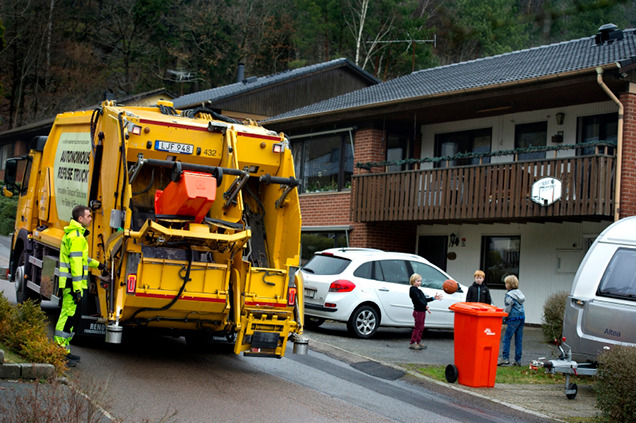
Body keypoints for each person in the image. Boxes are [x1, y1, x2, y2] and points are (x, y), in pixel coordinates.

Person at [54, 205, 105, 367]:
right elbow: (76, 266)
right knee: (68, 317)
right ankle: (59, 353)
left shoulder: (76, 235)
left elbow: (83, 260)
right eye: (89, 216)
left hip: (71, 283)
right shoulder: (77, 238)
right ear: (80, 219)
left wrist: (99, 265)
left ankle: (64, 351)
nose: (91, 218)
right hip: (73, 284)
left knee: (71, 318)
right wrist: (77, 289)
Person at [408, 273, 442, 350]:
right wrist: (425, 305)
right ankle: (413, 342)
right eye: (418, 281)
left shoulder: (419, 290)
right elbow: (418, 300)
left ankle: (418, 342)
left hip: (422, 311)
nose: (419, 283)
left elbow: (424, 300)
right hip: (418, 312)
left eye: (420, 281)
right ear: (413, 281)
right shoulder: (413, 290)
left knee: (421, 327)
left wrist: (433, 298)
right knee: (417, 327)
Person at [498, 275, 526, 366]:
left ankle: (505, 358)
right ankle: (518, 360)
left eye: (506, 283)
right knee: (518, 339)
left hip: (513, 318)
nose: (505, 285)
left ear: (509, 284)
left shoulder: (509, 295)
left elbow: (508, 308)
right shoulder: (519, 293)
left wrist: (504, 319)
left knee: (507, 338)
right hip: (521, 317)